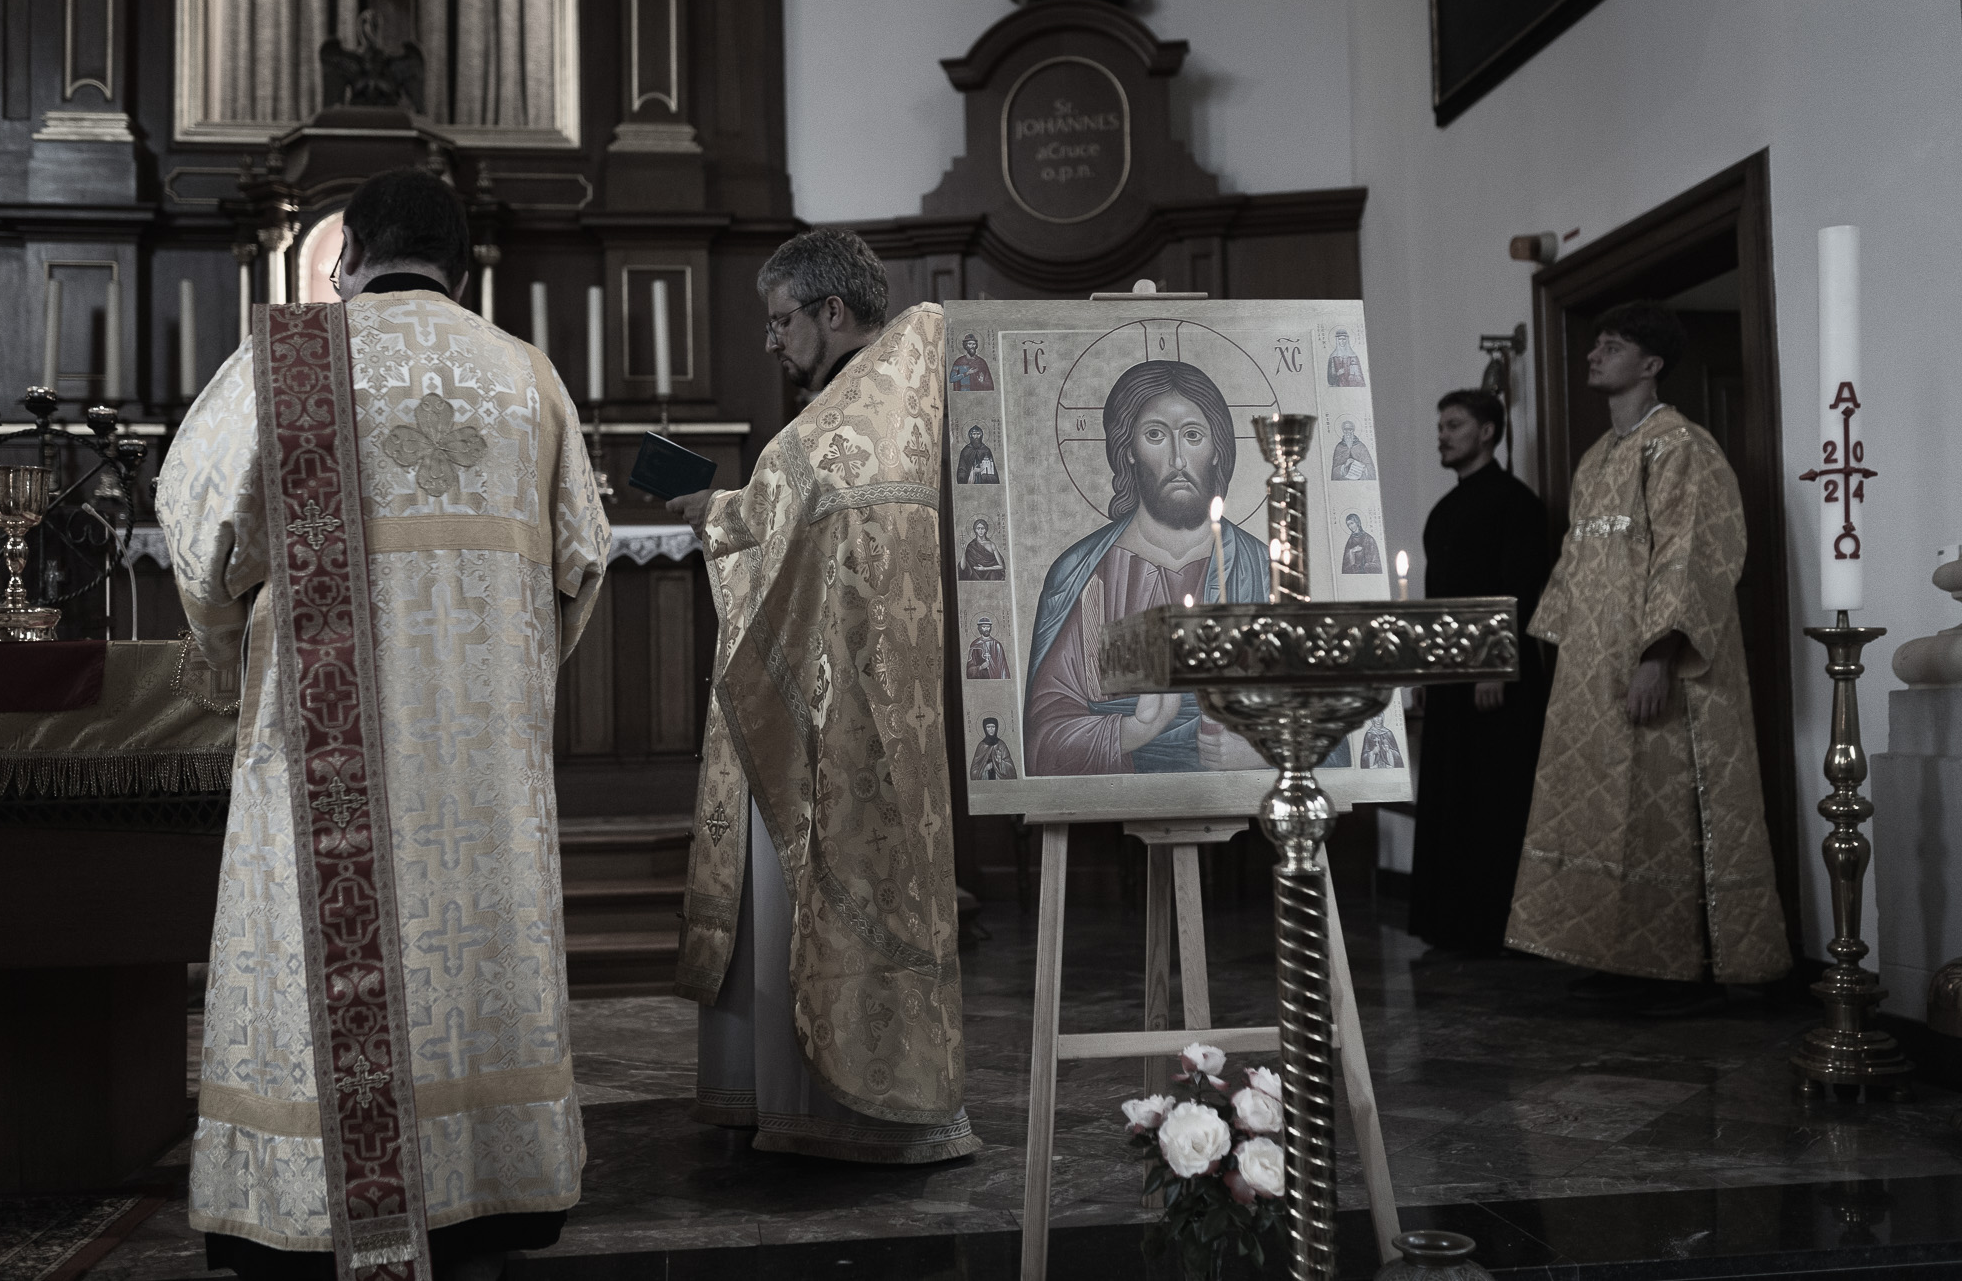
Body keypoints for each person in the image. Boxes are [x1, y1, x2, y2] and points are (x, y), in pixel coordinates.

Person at [158, 167, 609, 1280]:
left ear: (348, 254)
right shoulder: (527, 376)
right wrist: (510, 681)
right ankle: (488, 1192)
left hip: (322, 751)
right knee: (476, 954)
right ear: (459, 269)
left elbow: (198, 528)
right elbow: (582, 563)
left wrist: (223, 659)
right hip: (482, 770)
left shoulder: (285, 363)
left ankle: (309, 1200)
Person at [664, 228, 981, 1162]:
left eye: (781, 321)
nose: (772, 341)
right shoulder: (895, 395)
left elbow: (773, 529)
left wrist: (712, 513)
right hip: (893, 708)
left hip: (832, 713)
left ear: (832, 311)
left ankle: (822, 1108)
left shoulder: (831, 426)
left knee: (809, 878)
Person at [1504, 302, 1790, 1014]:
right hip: (1592, 668)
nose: (1594, 354)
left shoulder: (1682, 446)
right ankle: (1618, 952)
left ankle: (1682, 963)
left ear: (1652, 364)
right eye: (1596, 343)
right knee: (1608, 811)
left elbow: (1690, 555)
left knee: (1663, 804)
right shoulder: (1598, 456)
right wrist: (1563, 656)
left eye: (1613, 345)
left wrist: (1658, 656)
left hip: (1658, 664)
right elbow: (1575, 560)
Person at [1024, 360, 1271, 775]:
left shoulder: (1262, 570)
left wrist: (1263, 755)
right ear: (1129, 451)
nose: (1177, 459)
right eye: (1155, 435)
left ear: (1217, 451)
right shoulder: (1084, 575)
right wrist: (1133, 731)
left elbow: (1326, 721)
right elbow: (1043, 739)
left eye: (1193, 435)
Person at [1408, 389, 1551, 954]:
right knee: (1450, 795)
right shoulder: (1444, 510)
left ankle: (1497, 927)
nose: (1442, 435)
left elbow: (1521, 587)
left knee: (1495, 798)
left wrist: (1495, 664)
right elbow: (1435, 600)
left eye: (1455, 425)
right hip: (1450, 678)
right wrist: (1427, 669)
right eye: (1441, 425)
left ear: (1487, 431)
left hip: (1498, 682)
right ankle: (1450, 923)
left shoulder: (1516, 503)